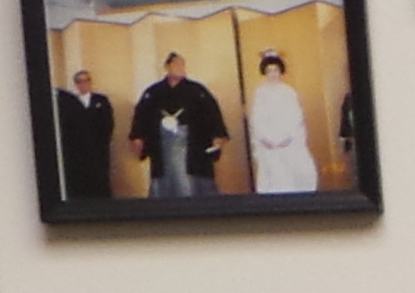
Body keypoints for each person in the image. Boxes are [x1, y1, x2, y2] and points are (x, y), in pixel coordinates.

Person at [130, 52, 226, 198]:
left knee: (194, 183)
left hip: (192, 145)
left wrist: (218, 136)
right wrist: (138, 138)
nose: (180, 68)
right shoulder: (153, 92)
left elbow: (212, 114)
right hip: (163, 145)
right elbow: (141, 116)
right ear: (167, 67)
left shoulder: (197, 90)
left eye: (182, 64)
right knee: (163, 181)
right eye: (176, 64)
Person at [245, 50, 318, 194]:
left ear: (280, 71)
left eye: (275, 70)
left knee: (293, 177)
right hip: (268, 144)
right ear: (264, 73)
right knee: (272, 179)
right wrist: (264, 138)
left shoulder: (288, 92)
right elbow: (257, 118)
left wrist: (287, 137)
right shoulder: (260, 93)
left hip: (288, 143)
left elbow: (296, 117)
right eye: (269, 71)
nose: (272, 74)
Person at [53, 64, 115, 204]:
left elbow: (108, 123)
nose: (84, 84)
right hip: (78, 151)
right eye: (80, 81)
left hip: (98, 148)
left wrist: (102, 141)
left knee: (100, 177)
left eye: (86, 80)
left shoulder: (101, 100)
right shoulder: (69, 103)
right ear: (76, 84)